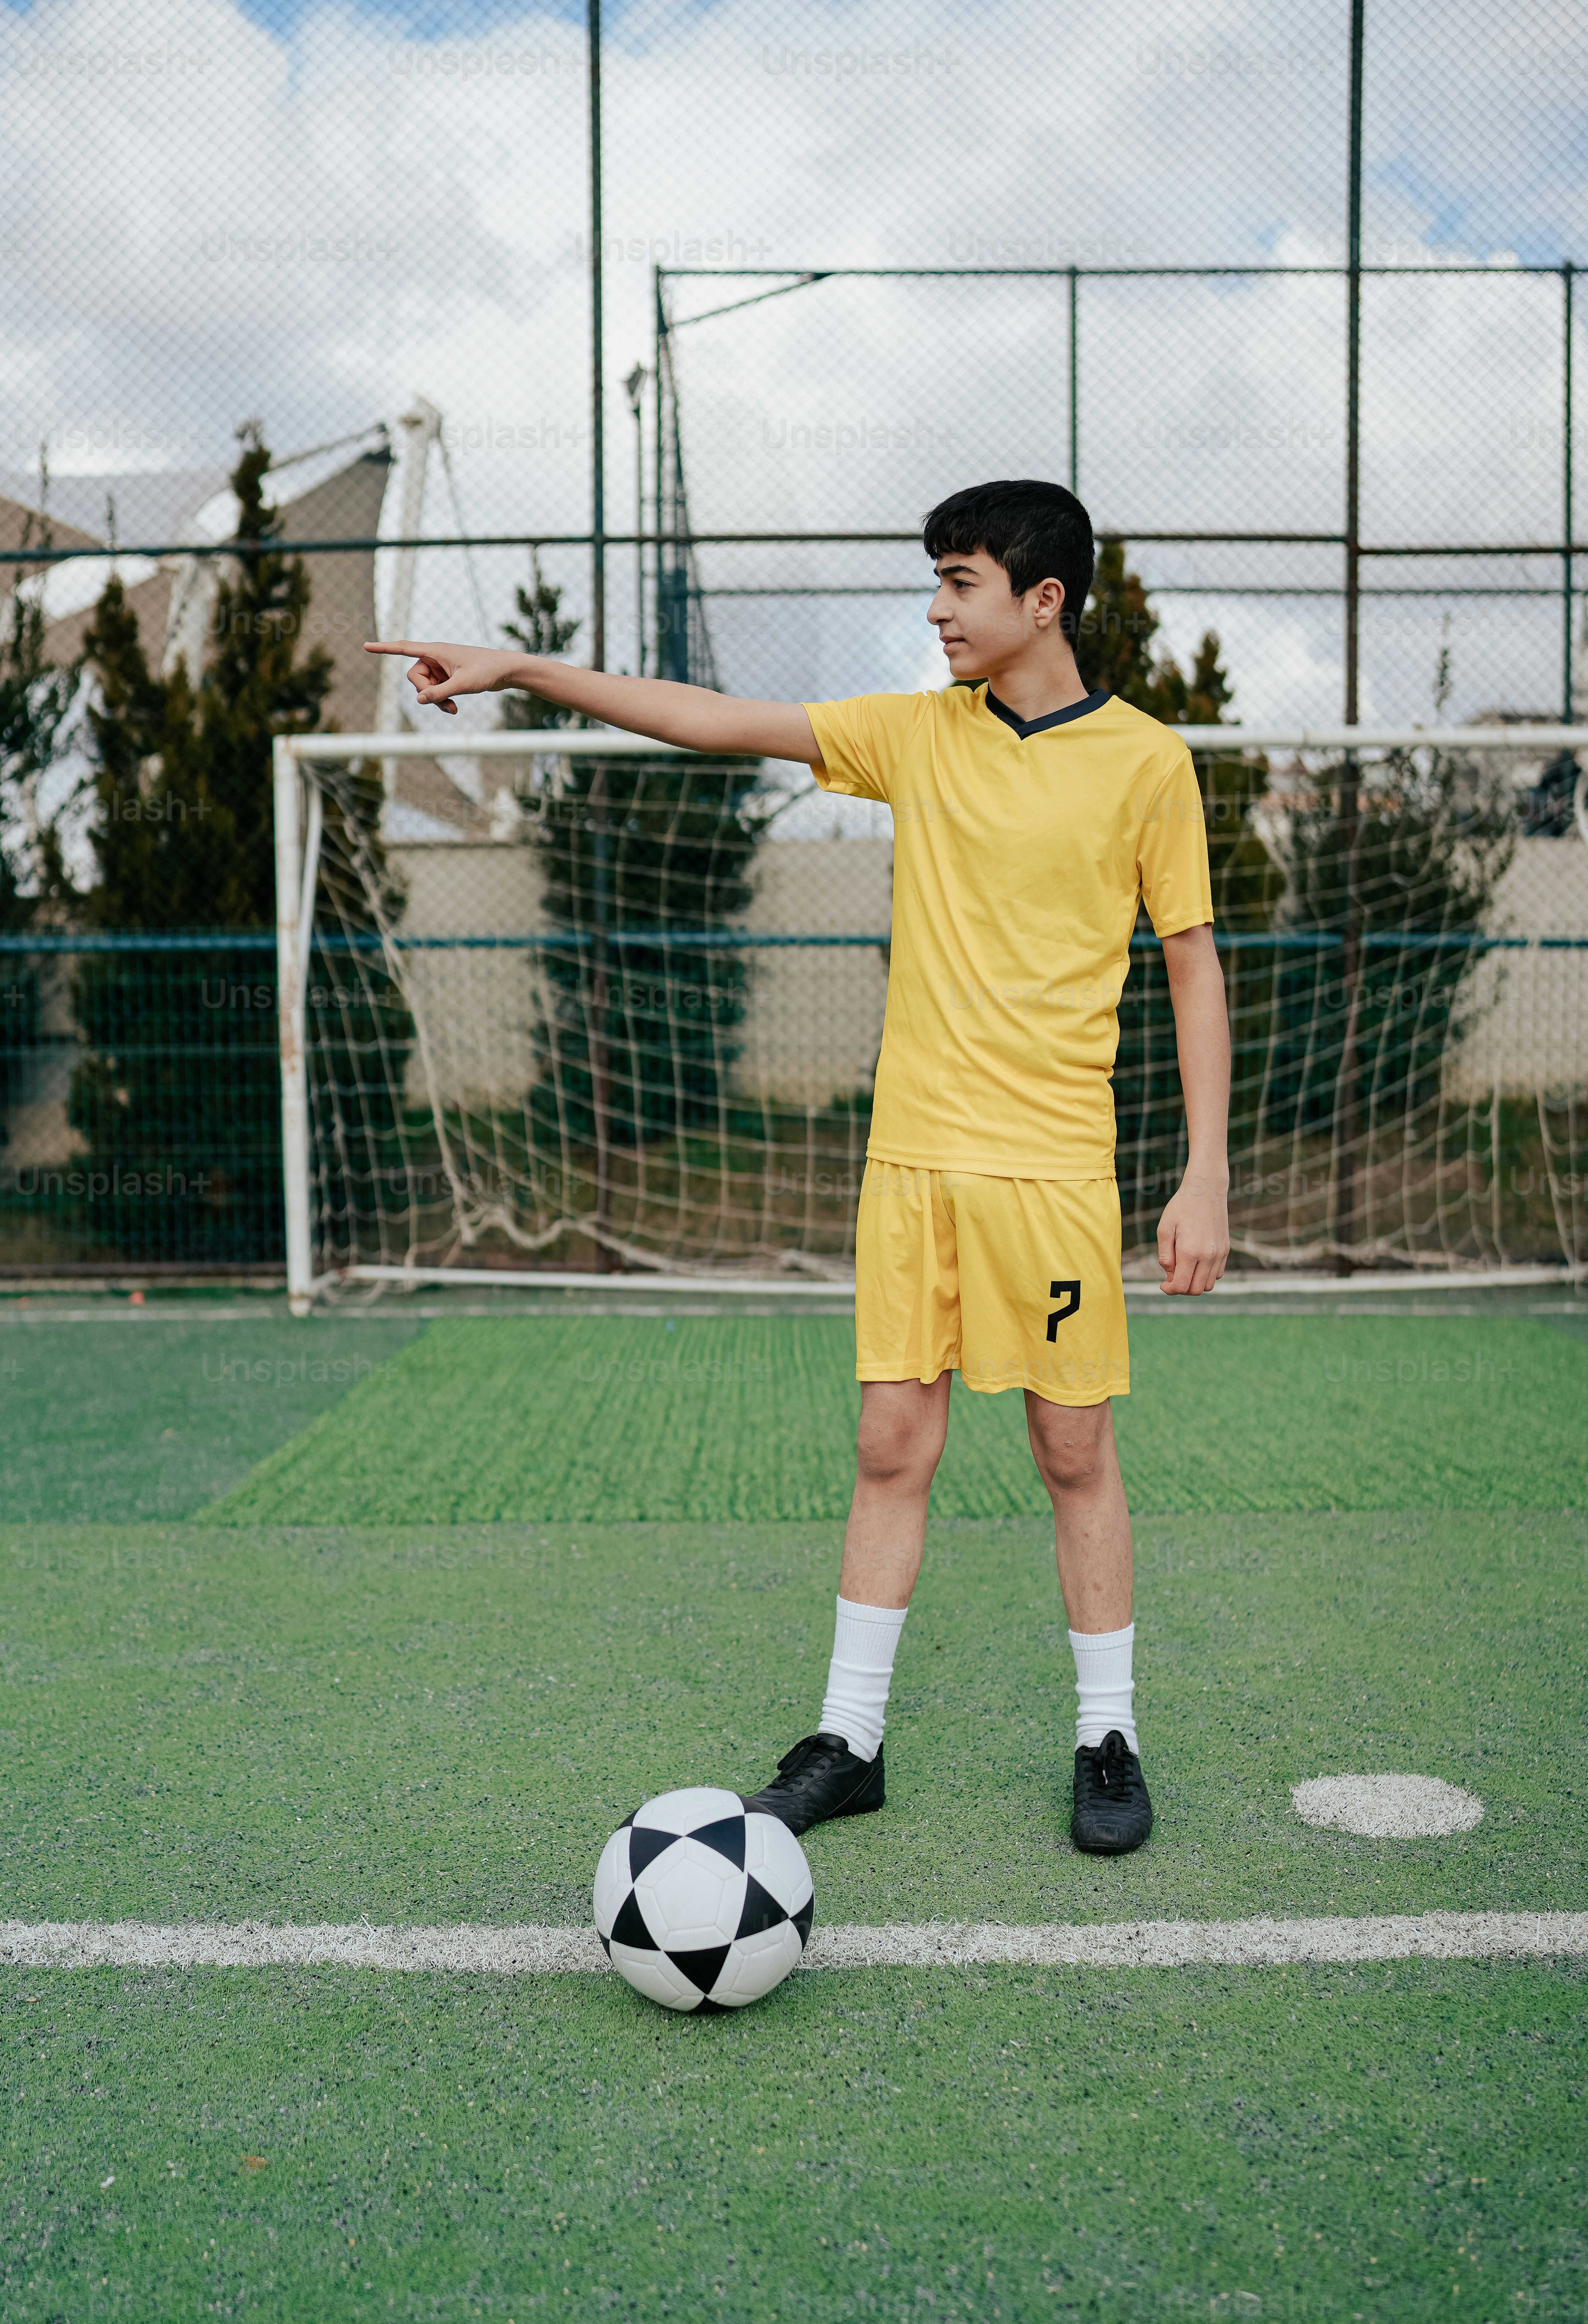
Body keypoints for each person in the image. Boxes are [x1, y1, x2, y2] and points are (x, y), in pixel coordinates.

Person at [368, 476, 1230, 1856]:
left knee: (1073, 1449)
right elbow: (711, 718)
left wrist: (1206, 1175)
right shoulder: (910, 737)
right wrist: (521, 667)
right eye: (936, 581)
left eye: (960, 582)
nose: (936, 608)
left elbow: (1191, 962)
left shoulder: (1145, 763)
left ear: (1042, 600)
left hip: (1056, 1174)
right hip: (914, 1165)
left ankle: (1106, 1735)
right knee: (891, 1440)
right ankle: (851, 1739)